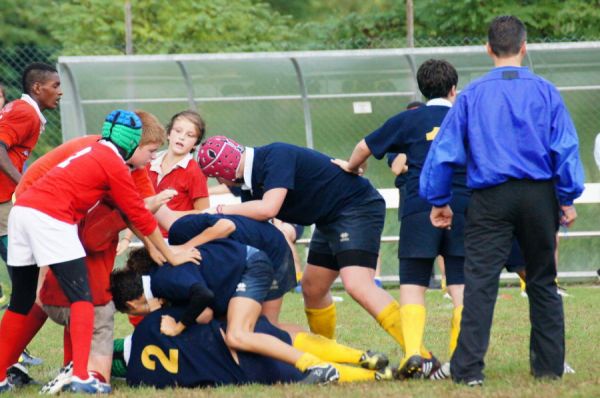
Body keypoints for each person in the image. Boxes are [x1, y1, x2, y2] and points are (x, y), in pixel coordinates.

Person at [420, 16, 584, 385]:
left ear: (488, 48)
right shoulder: (546, 92)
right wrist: (566, 196)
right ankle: (548, 368)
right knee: (543, 280)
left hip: (489, 199)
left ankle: (468, 371)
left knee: (480, 283)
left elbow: (444, 151)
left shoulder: (472, 96)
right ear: (525, 47)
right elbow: (565, 148)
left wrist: (439, 199)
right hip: (538, 195)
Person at [0, 110, 200, 394]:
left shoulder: (121, 158)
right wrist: (170, 253)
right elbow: (136, 215)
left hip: (26, 212)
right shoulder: (110, 159)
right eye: (151, 151)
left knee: (25, 298)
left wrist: (157, 246)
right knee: (78, 296)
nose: (154, 158)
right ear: (133, 144)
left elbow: (142, 212)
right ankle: (80, 374)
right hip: (49, 212)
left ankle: (11, 371)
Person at [196, 136, 426, 378]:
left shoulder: (276, 155)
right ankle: (334, 355)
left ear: (224, 170)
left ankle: (420, 356)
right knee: (313, 289)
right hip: (328, 217)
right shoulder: (249, 185)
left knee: (358, 284)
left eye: (217, 176)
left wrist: (218, 210)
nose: (220, 182)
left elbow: (268, 209)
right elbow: (261, 223)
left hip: (355, 206)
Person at [334, 60, 466, 378]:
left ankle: (412, 354)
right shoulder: (466, 116)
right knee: (461, 284)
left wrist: (352, 168)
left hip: (419, 207)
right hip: (464, 205)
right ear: (453, 90)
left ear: (422, 90)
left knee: (413, 283)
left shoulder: (409, 119)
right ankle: (461, 361)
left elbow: (364, 146)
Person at [111, 241, 390, 383]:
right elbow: (205, 310)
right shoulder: (166, 280)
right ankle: (362, 360)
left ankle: (352, 371)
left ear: (134, 303)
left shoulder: (164, 286)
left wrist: (179, 325)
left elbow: (203, 303)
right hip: (254, 259)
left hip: (249, 271)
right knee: (274, 332)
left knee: (241, 336)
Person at [111, 307, 394, 387]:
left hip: (236, 371)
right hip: (228, 340)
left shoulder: (140, 379)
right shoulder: (149, 325)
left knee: (298, 369)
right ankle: (361, 358)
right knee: (288, 337)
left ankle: (379, 377)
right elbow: (202, 312)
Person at [167, 212, 296, 324]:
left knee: (266, 327)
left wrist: (185, 247)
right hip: (248, 259)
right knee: (232, 326)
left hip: (271, 247)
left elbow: (227, 225)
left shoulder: (179, 230)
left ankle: (312, 347)